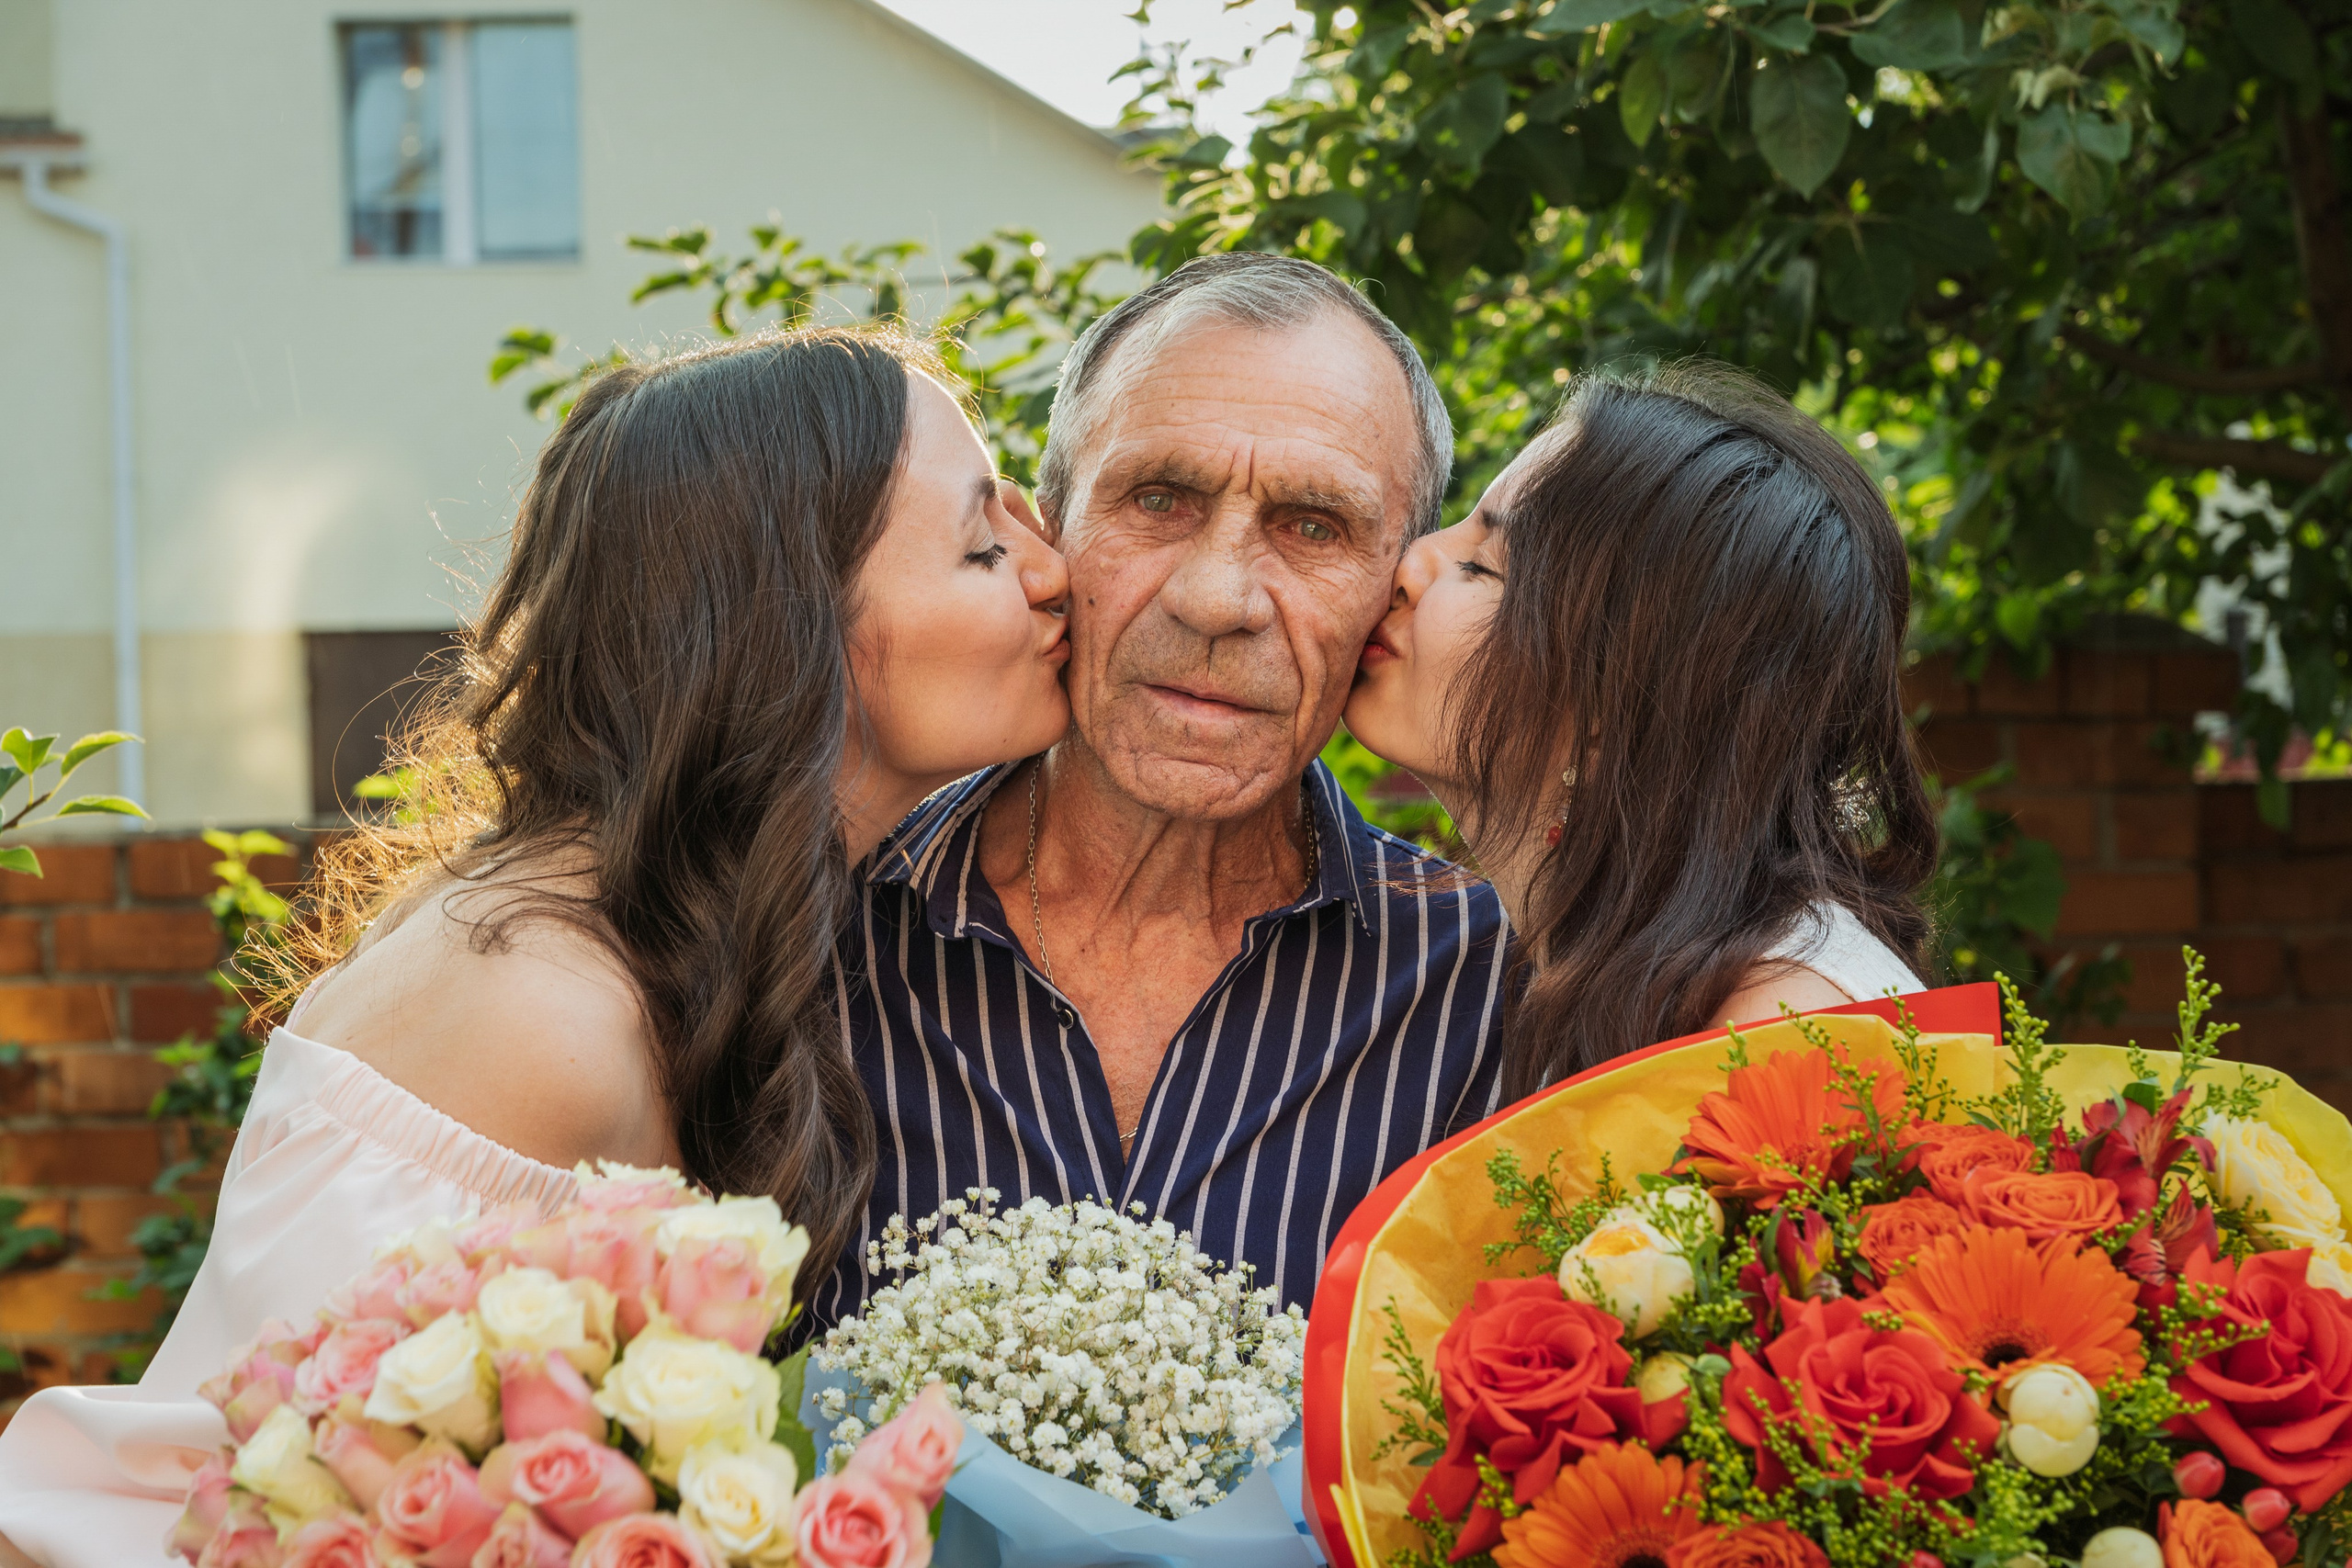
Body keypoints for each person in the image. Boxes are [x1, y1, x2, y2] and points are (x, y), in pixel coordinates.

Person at [0, 325, 1074, 1566]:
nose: (1054, 573)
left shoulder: (685, 927)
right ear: (792, 624)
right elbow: (258, 1503)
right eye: (986, 544)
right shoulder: (540, 1009)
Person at [811, 254, 1511, 1325]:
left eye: (1312, 526)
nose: (1216, 598)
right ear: (1041, 530)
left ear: (1393, 587)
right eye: (1158, 500)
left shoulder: (1501, 994)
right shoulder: (799, 942)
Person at [1343, 361, 1936, 1100]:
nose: (1409, 563)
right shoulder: (1614, 970)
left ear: (1612, 712)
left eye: (1482, 564)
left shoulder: (1781, 1036)